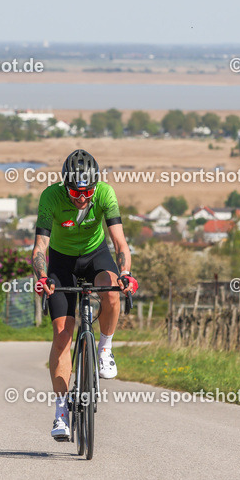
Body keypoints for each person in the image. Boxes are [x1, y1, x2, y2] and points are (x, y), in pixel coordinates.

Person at [32, 149, 137, 442]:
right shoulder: (50, 197)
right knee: (62, 335)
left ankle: (104, 348)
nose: (82, 197)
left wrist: (126, 273)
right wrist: (42, 277)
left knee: (113, 290)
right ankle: (61, 412)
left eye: (88, 191)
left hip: (96, 256)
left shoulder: (105, 194)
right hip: (61, 261)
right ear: (66, 185)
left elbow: (120, 243)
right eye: (76, 191)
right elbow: (40, 247)